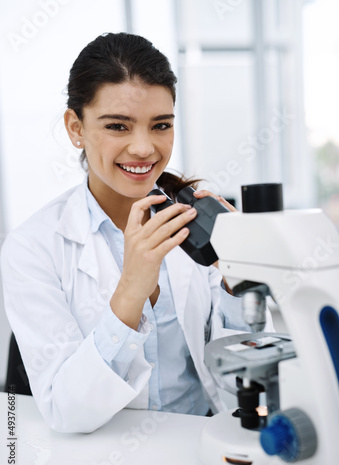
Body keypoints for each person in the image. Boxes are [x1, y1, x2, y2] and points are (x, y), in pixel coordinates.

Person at [1, 32, 273, 433]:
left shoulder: (197, 222)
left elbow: (245, 390)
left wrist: (239, 284)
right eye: (118, 126)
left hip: (199, 447)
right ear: (75, 127)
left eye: (160, 125)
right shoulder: (33, 247)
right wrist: (130, 290)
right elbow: (67, 411)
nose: (144, 148)